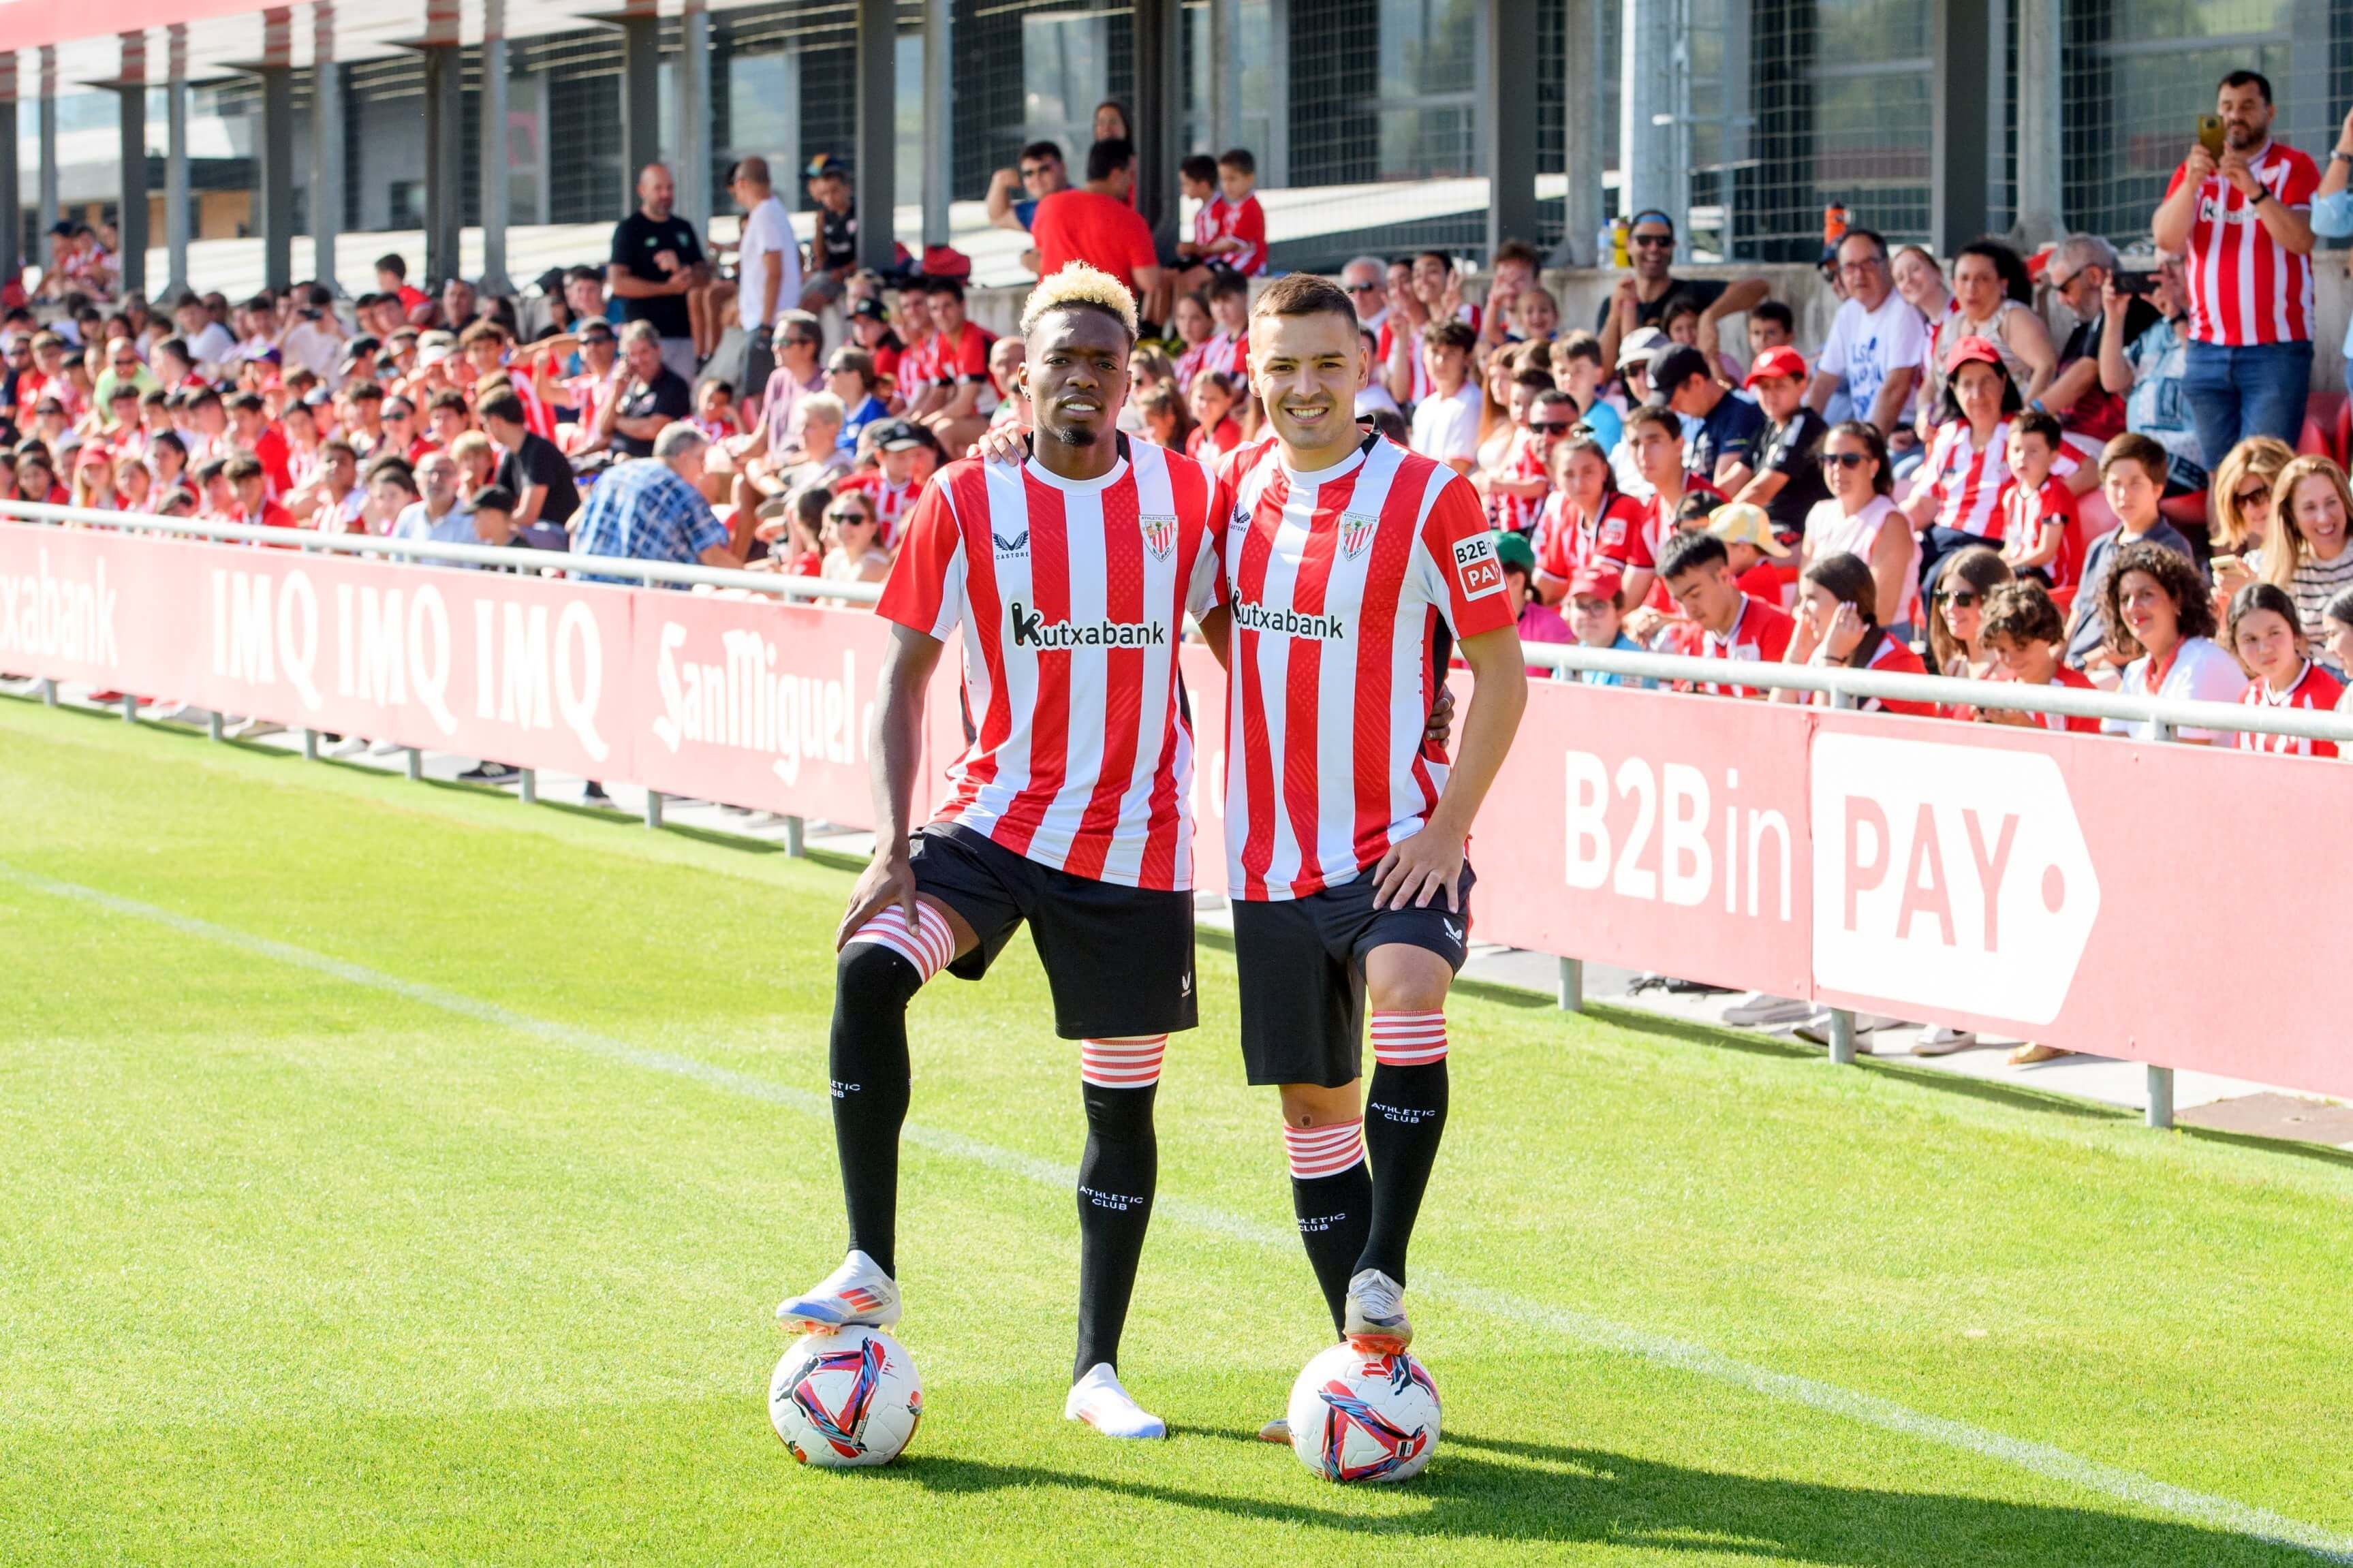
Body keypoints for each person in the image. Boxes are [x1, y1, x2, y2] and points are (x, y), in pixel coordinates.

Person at [776, 264, 1232, 1445]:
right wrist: (889, 842)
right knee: (869, 967)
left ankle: (1095, 1369)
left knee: (1118, 1112)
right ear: (1015, 379)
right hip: (993, 828)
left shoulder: (1183, 492)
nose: (1081, 380)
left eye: (1104, 362)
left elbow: (1236, 633)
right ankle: (867, 1260)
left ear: (1132, 380)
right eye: (1059, 362)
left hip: (1133, 847)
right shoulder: (965, 505)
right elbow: (899, 679)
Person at [1183, 272, 1523, 1423]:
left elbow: (1500, 673)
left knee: (1407, 979)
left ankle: (1382, 1267)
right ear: (1249, 368)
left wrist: (1445, 826)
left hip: (1394, 844)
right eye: (1279, 367)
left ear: (1363, 362)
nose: (1302, 387)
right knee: (1310, 1110)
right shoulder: (1230, 487)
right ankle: (1363, 1372)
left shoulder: (1434, 496)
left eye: (1325, 365)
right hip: (1268, 858)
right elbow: (1214, 617)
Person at [2151, 70, 2318, 460]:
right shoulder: (2193, 171)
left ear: (2270, 112)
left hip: (2275, 350)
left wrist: (2254, 191)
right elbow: (2166, 239)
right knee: (2219, 476)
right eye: (2226, 107)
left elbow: (2302, 240)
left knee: (2262, 472)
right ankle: (2220, 528)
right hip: (2207, 347)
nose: (2235, 115)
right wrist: (2191, 185)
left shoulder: (2294, 165)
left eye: (2247, 106)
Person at [2066, 433, 2202, 672]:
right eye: (2115, 484)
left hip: (2123, 671)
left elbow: (2163, 630)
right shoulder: (2099, 547)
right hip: (2078, 664)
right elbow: (2079, 611)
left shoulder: (2170, 547)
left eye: (2135, 484)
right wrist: (2058, 655)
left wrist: (2087, 662)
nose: (2123, 495)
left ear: (2157, 489)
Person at [1593, 208, 1769, 375]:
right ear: (1628, 245)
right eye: (1644, 240)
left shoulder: (1690, 292)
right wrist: (1615, 315)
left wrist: (1710, 316)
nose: (1654, 248)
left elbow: (1759, 287)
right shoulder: (1614, 302)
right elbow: (1601, 372)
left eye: (1663, 241)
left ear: (1673, 246)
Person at [2100, 539, 2243, 742]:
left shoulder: (2203, 663)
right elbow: (2113, 748)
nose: (2133, 607)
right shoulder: (2135, 672)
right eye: (2124, 599)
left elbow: (2184, 763)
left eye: (2146, 594)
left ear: (2177, 599)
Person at [2096, 254, 2207, 505]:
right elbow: (2113, 381)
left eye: (2175, 264)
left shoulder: (2210, 325)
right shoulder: (2156, 332)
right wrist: (2114, 317)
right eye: (2159, 267)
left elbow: (2204, 371)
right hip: (2142, 454)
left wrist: (2178, 317)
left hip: (2184, 458)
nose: (2165, 274)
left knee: (2130, 488)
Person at [571, 423, 742, 580]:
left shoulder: (614, 475)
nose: (704, 470)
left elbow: (573, 526)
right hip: (635, 601)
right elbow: (715, 558)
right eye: (701, 460)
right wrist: (761, 583)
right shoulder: (679, 490)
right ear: (684, 457)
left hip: (584, 588)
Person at [1775, 550, 1935, 717]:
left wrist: (1832, 660)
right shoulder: (1817, 652)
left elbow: (1829, 732)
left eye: (1812, 598)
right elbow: (1775, 722)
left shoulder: (1897, 664)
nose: (1802, 610)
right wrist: (1796, 654)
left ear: (1848, 603)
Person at [1805, 229, 1926, 444]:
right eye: (1850, 267)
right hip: (1867, 430)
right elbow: (1823, 383)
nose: (1859, 275)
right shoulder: (1849, 312)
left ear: (1887, 265)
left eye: (1869, 263)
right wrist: (1800, 438)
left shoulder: (1903, 310)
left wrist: (1869, 451)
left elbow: (1896, 389)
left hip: (1903, 433)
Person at [2040, 234, 2159, 445]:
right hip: (2076, 437)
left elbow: (2087, 372)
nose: (2060, 300)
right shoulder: (2087, 321)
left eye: (2065, 289)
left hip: (2108, 442)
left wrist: (2033, 412)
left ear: (2094, 276)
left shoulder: (2128, 306)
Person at [1803, 420, 1917, 633]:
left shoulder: (1891, 522)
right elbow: (1804, 594)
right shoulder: (1819, 513)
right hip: (1823, 636)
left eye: (1850, 460)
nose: (1837, 468)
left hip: (1877, 642)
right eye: (1829, 460)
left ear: (1874, 466)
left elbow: (1882, 611)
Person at [1658, 528, 1794, 697]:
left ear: (1724, 576)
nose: (1689, 611)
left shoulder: (1776, 625)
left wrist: (1715, 705)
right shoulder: (1689, 640)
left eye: (1695, 594)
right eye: (1680, 600)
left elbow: (1786, 708)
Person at [608, 163, 709, 385]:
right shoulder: (629, 229)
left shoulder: (683, 228)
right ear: (642, 190)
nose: (665, 194)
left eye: (670, 188)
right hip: (642, 337)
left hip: (682, 334)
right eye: (658, 188)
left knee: (681, 397)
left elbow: (704, 273)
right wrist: (666, 288)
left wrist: (683, 270)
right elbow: (618, 282)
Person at [1029, 140, 1164, 302]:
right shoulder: (1131, 220)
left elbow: (1038, 259)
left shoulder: (1048, 206)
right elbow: (1149, 282)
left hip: (1051, 315)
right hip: (1106, 318)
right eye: (1131, 174)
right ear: (1116, 175)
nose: (1132, 182)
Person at [2258, 454, 2353, 672]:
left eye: (2331, 503)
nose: (2324, 518)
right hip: (2317, 680)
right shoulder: (2285, 570)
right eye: (2310, 508)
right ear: (2292, 516)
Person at [2227, 580, 2341, 756]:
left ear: (2295, 633)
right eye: (2250, 639)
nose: (2264, 649)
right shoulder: (2248, 696)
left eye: (2274, 633)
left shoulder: (2329, 698)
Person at [1731, 345, 1828, 544]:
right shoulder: (1769, 425)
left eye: (1779, 385)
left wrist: (1717, 522)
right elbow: (1735, 477)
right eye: (1764, 387)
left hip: (1800, 535)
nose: (1770, 395)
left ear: (1802, 385)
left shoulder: (1805, 425)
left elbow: (1761, 492)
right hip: (1766, 528)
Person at [727, 157, 803, 402]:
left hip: (767, 322)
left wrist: (765, 324)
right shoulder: (774, 211)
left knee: (760, 397)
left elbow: (774, 271)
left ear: (742, 183)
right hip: (767, 320)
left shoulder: (765, 216)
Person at [1652, 343, 1766, 492]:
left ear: (1697, 381)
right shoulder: (1692, 418)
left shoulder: (1742, 411)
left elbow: (1726, 491)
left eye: (1676, 400)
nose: (1674, 409)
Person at [1995, 409, 2081, 593]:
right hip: (2021, 569)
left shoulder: (2055, 492)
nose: (2022, 458)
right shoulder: (2011, 496)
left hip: (2051, 579)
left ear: (2053, 457)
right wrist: (1995, 563)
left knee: (2006, 588)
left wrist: (2006, 567)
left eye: (2033, 451)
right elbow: (2011, 547)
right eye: (2016, 450)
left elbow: (2046, 552)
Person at [481, 391, 578, 531]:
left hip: (558, 533)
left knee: (503, 533)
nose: (486, 430)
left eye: (485, 424)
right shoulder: (511, 455)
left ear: (496, 421)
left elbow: (528, 516)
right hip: (536, 531)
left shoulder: (539, 451)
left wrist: (491, 524)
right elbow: (497, 502)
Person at [602, 322, 693, 460]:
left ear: (657, 350)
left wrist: (616, 421)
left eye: (644, 352)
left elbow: (652, 429)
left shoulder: (673, 385)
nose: (638, 360)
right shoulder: (629, 385)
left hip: (645, 464)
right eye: (633, 354)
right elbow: (603, 428)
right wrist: (616, 390)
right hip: (612, 459)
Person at [1407, 319, 1482, 476]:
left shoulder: (1472, 402)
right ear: (1424, 355)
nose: (1441, 361)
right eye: (1434, 352)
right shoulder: (1425, 406)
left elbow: (1456, 469)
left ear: (1467, 359)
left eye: (1451, 353)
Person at [1560, 566, 1652, 687]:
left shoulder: (1633, 661)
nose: (1587, 615)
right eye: (1580, 606)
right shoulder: (1570, 656)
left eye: (1598, 606)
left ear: (1619, 612)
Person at [800, 155, 861, 309]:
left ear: (847, 188)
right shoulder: (825, 216)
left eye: (834, 191)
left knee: (810, 302)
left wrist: (843, 271)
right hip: (827, 276)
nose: (830, 198)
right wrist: (818, 228)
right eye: (824, 193)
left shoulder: (859, 214)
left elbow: (868, 254)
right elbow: (820, 257)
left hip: (848, 279)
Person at [391, 450, 474, 547]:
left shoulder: (472, 521)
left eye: (444, 473)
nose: (435, 479)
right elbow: (397, 559)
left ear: (457, 480)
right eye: (430, 472)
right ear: (417, 481)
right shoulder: (409, 516)